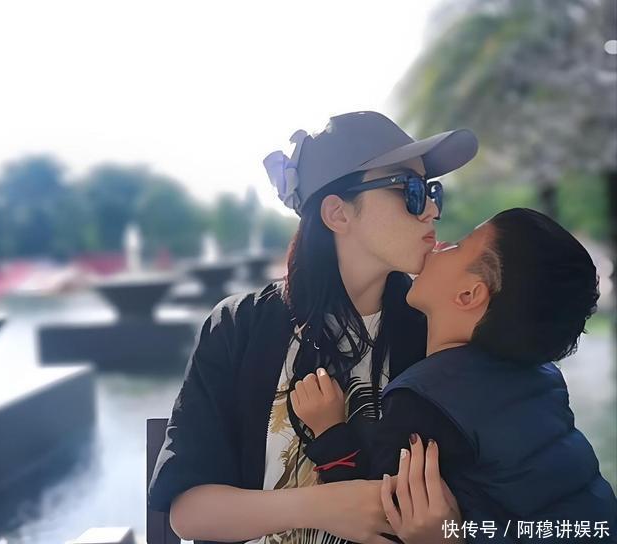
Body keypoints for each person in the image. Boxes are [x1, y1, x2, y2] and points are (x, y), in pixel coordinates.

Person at [147, 110, 479, 544]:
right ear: (338, 214)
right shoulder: (239, 325)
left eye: (432, 191)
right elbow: (190, 513)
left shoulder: (432, 329)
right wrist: (327, 505)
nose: (431, 209)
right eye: (409, 190)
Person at [291, 208, 617, 543]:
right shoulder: (542, 377)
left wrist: (328, 431)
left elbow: (377, 517)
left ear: (468, 295)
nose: (440, 244)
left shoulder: (426, 402)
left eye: (458, 246)